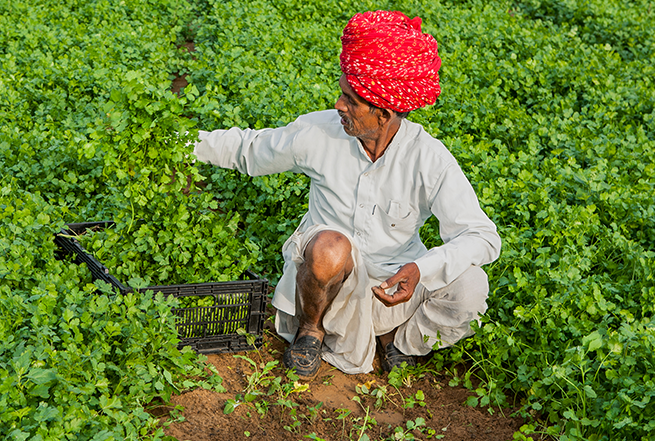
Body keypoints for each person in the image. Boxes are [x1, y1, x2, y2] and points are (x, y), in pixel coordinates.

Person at [192, 10, 501, 378]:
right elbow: (249, 149)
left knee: (471, 285)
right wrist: (177, 142)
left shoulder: (428, 158)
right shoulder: (319, 132)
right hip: (328, 285)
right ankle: (311, 330)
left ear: (383, 113)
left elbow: (482, 236)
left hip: (392, 287)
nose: (339, 105)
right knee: (330, 246)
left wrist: (422, 268)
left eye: (351, 100)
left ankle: (398, 342)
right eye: (342, 94)